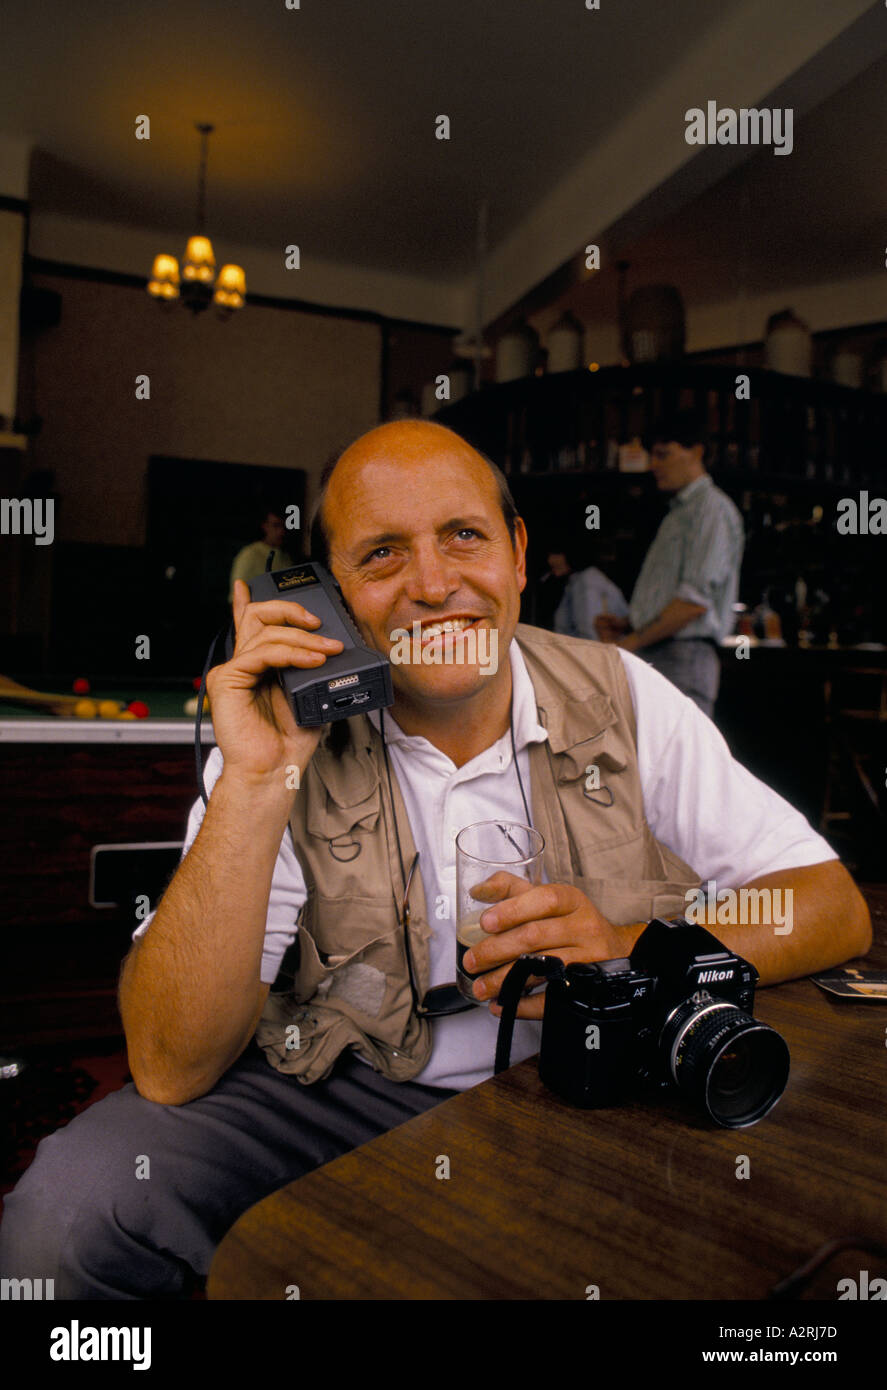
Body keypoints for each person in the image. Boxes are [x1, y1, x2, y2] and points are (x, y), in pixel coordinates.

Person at [0, 419, 870, 1299]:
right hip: (336, 1090)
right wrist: (259, 785)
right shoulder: (283, 732)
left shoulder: (623, 693)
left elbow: (826, 902)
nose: (433, 584)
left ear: (518, 553)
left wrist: (630, 946)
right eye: (381, 555)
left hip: (577, 1082)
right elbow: (168, 1063)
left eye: (464, 535)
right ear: (325, 594)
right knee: (71, 1218)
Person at [596, 411, 744, 718]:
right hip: (661, 651)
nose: (654, 465)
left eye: (663, 454)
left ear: (697, 451)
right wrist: (630, 623)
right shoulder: (678, 514)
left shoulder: (711, 510)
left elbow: (693, 604)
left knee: (679, 765)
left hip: (683, 657)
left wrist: (627, 644)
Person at [228, 507, 295, 603]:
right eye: (276, 526)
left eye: (284, 527)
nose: (281, 532)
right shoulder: (249, 554)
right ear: (265, 526)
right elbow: (235, 597)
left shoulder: (286, 557)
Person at [554, 557, 629, 640]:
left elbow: (591, 636)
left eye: (556, 554)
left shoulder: (586, 582)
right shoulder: (576, 580)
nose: (550, 560)